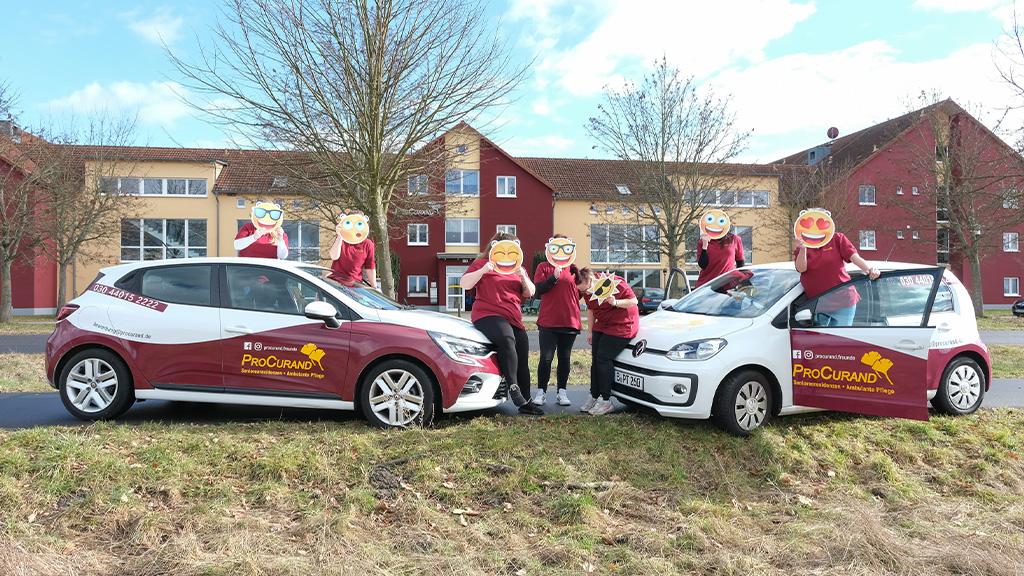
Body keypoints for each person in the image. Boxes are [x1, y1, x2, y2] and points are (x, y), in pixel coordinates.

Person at [460, 232, 543, 416]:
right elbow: (464, 284)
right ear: (494, 247)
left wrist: (522, 275)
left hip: (512, 316)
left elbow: (530, 292)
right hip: (487, 313)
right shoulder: (482, 263)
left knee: (522, 351)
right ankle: (513, 388)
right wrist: (483, 270)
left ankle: (526, 401)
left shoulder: (517, 266)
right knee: (507, 339)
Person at [794, 212, 880, 327]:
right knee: (822, 341)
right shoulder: (802, 246)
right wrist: (803, 249)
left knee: (839, 340)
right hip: (818, 303)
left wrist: (870, 270)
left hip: (843, 302)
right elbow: (801, 268)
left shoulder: (837, 239)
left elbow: (854, 257)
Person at [577, 269, 639, 416]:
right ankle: (594, 395)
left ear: (591, 279)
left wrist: (615, 302)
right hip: (603, 323)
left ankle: (605, 400)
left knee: (603, 358)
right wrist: (590, 331)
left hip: (623, 324)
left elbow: (633, 301)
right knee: (595, 359)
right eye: (581, 292)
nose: (585, 293)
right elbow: (591, 310)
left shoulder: (613, 282)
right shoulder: (585, 291)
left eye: (585, 289)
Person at [531, 235, 582, 406]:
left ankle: (562, 392)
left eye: (565, 247)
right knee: (546, 357)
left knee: (564, 358)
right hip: (548, 321)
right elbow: (538, 290)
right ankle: (541, 392)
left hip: (570, 321)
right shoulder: (543, 266)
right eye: (555, 246)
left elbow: (579, 293)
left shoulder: (574, 269)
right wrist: (553, 277)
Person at [329, 210, 376, 287]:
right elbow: (334, 256)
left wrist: (374, 287)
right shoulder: (341, 240)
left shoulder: (367, 244)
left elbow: (370, 267)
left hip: (354, 286)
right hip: (336, 284)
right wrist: (340, 236)